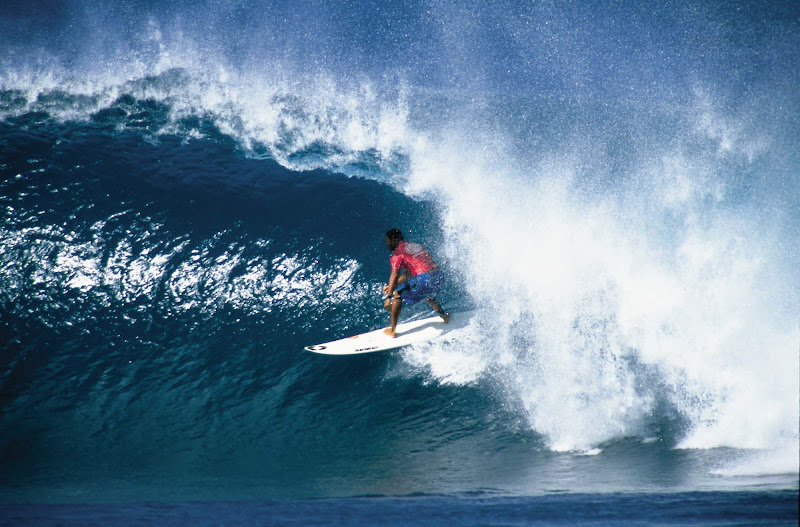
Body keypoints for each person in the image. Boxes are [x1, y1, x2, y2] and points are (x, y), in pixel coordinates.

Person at [382, 228, 450, 337]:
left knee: (397, 294)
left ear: (393, 240)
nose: (387, 244)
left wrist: (389, 296)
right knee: (429, 295)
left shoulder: (397, 254)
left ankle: (393, 330)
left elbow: (394, 275)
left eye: (388, 241)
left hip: (425, 279)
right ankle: (445, 316)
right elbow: (409, 272)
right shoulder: (414, 246)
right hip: (439, 276)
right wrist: (391, 286)